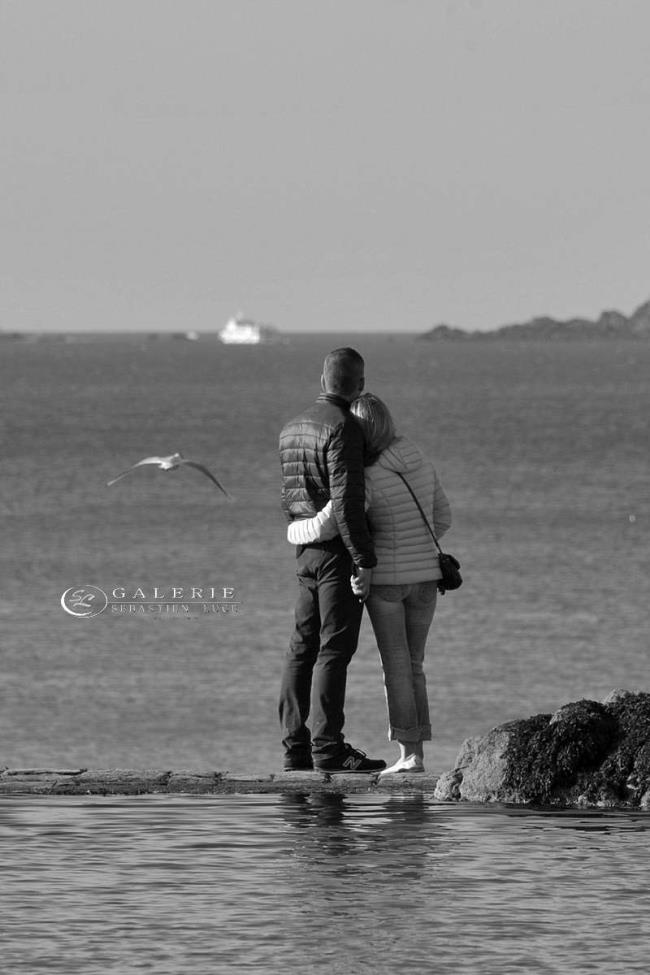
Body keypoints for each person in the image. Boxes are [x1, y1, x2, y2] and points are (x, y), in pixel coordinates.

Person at [288, 392, 451, 775]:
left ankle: (410, 757)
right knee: (415, 665)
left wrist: (294, 530)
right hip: (427, 577)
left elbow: (334, 522)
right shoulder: (419, 460)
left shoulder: (366, 473)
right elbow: (443, 517)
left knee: (395, 667)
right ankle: (418, 754)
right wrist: (416, 546)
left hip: (389, 584)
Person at [278, 349, 386, 774]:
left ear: (323, 379)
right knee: (334, 648)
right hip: (336, 553)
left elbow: (290, 498)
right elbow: (347, 504)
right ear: (358, 384)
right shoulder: (345, 428)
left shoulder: (291, 428)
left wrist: (301, 533)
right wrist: (364, 560)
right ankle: (328, 747)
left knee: (301, 647)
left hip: (304, 550)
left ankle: (294, 746)